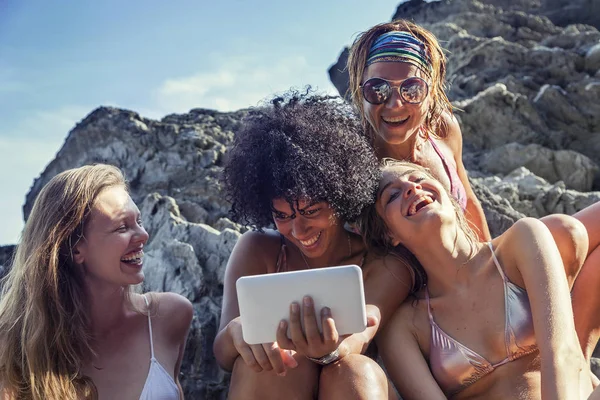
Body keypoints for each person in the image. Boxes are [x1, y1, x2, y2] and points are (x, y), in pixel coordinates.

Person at [347, 20, 600, 362]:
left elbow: (468, 203)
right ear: (359, 88)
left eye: (412, 89)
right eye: (377, 90)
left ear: (432, 88)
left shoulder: (442, 130)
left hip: (477, 265)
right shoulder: (352, 158)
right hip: (425, 299)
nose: (394, 104)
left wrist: (493, 270)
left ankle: (579, 362)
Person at [213, 91, 415, 400]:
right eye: (282, 215)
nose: (297, 229)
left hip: (348, 386)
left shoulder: (384, 263)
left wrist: (329, 351)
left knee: (355, 369)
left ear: (339, 196)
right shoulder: (257, 249)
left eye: (311, 211)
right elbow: (223, 354)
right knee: (277, 363)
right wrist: (236, 333)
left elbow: (357, 339)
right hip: (274, 384)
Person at [360, 159, 598, 399]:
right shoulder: (404, 325)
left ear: (447, 193)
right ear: (388, 234)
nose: (411, 188)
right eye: (392, 195)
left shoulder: (522, 241)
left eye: (418, 179)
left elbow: (562, 351)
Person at [0, 164, 193, 400]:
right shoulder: (12, 345)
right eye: (122, 227)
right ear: (75, 248)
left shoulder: (169, 317)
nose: (143, 235)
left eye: (139, 222)